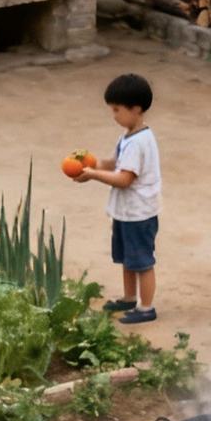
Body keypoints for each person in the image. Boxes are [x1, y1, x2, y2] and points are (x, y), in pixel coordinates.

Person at [74, 71, 162, 324]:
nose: (114, 116)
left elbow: (124, 179)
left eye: (117, 110)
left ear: (135, 109)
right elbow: (113, 162)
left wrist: (93, 174)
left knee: (142, 262)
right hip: (126, 212)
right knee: (127, 258)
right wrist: (90, 164)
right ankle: (128, 297)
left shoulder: (139, 142)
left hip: (138, 214)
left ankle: (146, 307)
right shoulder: (129, 135)